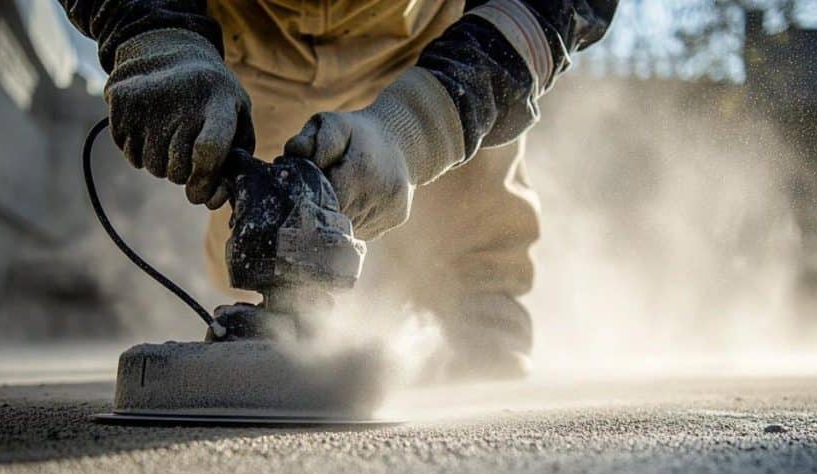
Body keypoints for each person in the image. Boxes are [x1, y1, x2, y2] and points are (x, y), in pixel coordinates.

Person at [59, 0, 618, 379]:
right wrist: (154, 30)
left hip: (434, 32)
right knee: (255, 210)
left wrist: (427, 119)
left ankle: (475, 320)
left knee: (474, 274)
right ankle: (283, 316)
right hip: (238, 31)